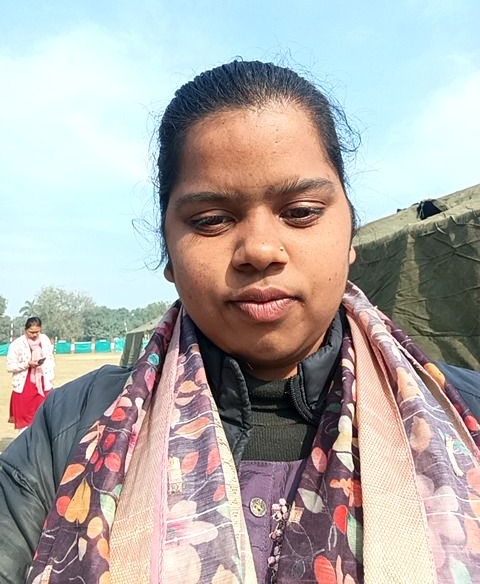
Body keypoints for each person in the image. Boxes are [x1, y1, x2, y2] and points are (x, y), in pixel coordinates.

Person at [1, 61, 480, 584]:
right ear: (168, 253)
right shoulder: (73, 427)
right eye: (211, 220)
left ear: (350, 236)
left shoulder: (465, 416)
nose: (260, 250)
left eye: (301, 211)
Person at [6, 316, 55, 431]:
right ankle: (25, 442)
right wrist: (27, 364)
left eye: (37, 332)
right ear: (25, 330)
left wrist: (50, 375)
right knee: (25, 425)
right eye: (31, 332)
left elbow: (50, 358)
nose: (34, 335)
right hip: (24, 388)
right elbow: (10, 366)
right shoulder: (17, 344)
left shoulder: (45, 340)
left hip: (43, 387)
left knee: (45, 421)